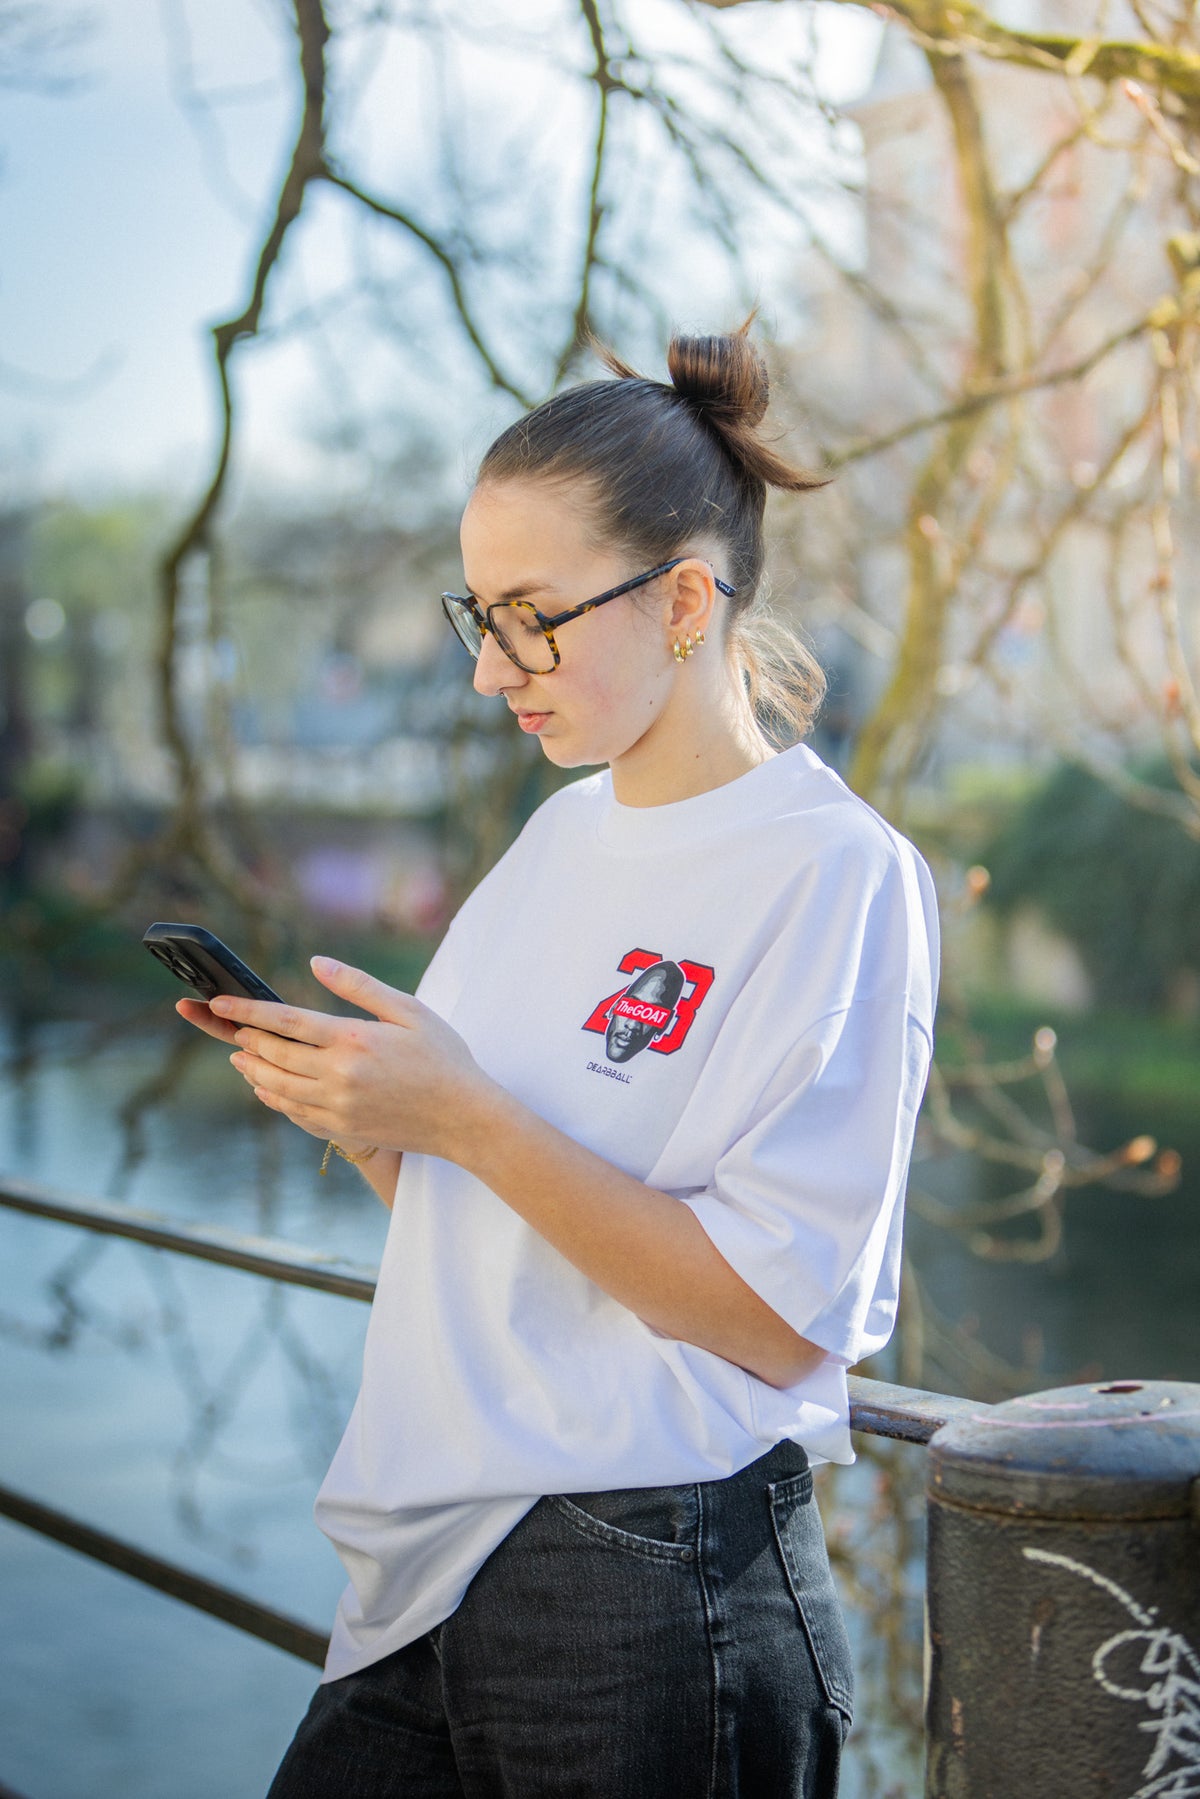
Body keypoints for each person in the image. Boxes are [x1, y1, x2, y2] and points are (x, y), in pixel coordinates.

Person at [178, 314, 940, 1797]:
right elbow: (494, 1236)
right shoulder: (555, 836)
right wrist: (372, 1122)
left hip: (646, 1582)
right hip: (425, 1565)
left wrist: (464, 1120)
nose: (491, 672)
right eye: (479, 616)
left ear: (684, 600)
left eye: (531, 614)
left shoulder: (835, 873)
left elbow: (787, 1325)